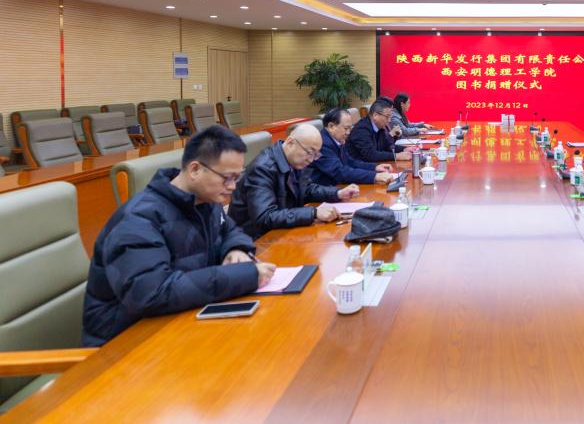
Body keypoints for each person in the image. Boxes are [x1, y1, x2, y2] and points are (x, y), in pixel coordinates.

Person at [83, 126, 275, 346]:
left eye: (236, 177)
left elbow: (230, 229)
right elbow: (152, 294)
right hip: (126, 345)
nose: (232, 187)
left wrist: (236, 248)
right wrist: (244, 276)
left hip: (179, 323)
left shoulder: (205, 200)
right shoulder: (137, 219)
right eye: (226, 178)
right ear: (195, 170)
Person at [228, 123, 360, 238]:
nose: (311, 159)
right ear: (291, 142)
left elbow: (307, 189)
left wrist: (337, 193)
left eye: (315, 155)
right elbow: (265, 217)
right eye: (309, 152)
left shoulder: (294, 161)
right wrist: (313, 213)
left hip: (282, 230)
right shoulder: (262, 169)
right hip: (255, 240)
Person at [311, 108, 395, 186]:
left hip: (339, 186)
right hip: (325, 191)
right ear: (331, 126)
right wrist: (374, 176)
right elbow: (340, 172)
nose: (348, 133)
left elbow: (350, 162)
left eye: (350, 128)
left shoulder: (337, 138)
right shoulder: (322, 144)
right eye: (346, 128)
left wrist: (375, 167)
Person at [347, 99, 413, 162]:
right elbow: (370, 154)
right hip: (359, 166)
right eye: (387, 116)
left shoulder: (379, 127)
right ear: (375, 115)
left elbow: (387, 146)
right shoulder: (361, 129)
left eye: (390, 116)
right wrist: (396, 156)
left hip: (374, 164)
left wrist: (404, 149)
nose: (389, 120)